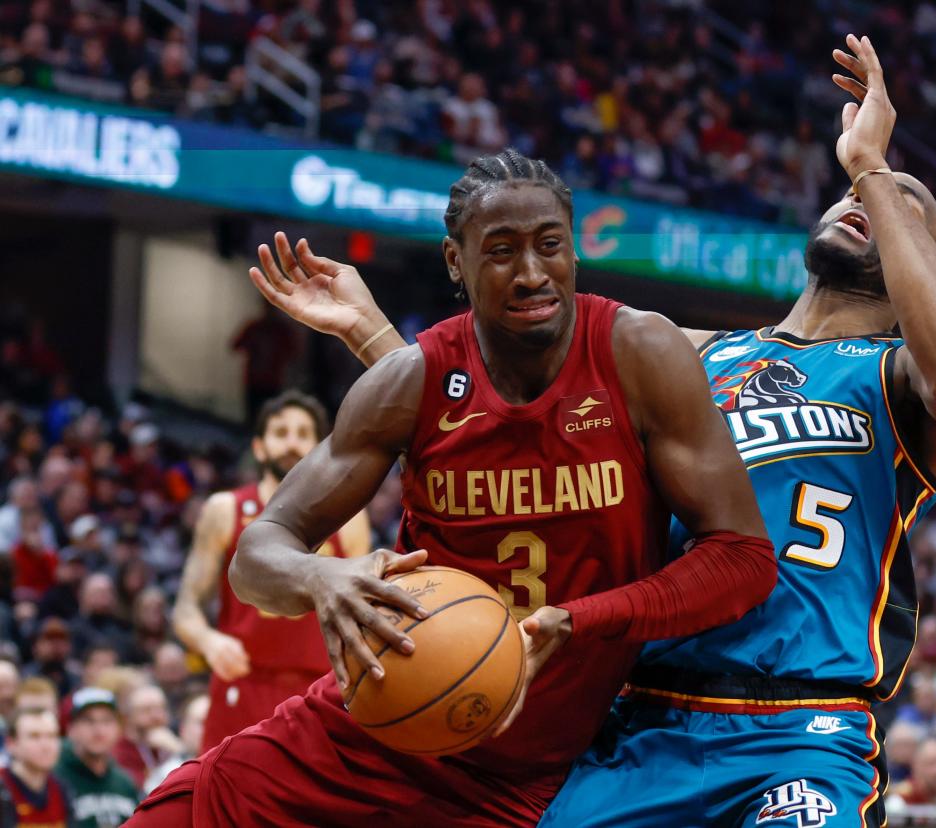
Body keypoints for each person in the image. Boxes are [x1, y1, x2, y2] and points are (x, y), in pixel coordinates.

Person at [243, 34, 936, 826]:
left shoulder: (896, 378)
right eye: (851, 192)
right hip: (637, 722)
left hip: (799, 728)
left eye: (902, 211)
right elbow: (496, 422)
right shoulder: (680, 353)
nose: (859, 199)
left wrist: (875, 166)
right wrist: (374, 336)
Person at [133, 147, 774, 826]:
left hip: (525, 777)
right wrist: (323, 578)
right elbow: (256, 555)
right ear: (454, 263)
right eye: (501, 251)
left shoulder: (640, 353)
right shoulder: (409, 380)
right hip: (376, 726)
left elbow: (742, 558)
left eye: (549, 245)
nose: (532, 273)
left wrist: (581, 620)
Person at [171, 389, 371, 750]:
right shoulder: (224, 509)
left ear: (319, 447)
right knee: (226, 803)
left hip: (319, 689)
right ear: (260, 447)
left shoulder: (351, 518)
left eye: (302, 434)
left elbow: (363, 612)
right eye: (280, 433)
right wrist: (209, 641)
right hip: (244, 682)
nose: (291, 443)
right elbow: (185, 608)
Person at [55, 688, 139, 828]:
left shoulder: (125, 783)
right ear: (71, 729)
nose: (99, 730)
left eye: (107, 721)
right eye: (89, 721)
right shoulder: (55, 777)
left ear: (119, 729)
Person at [0, 707, 71, 827]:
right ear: (11, 744)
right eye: (34, 736)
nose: (46, 745)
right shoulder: (3, 790)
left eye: (52, 736)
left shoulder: (62, 789)